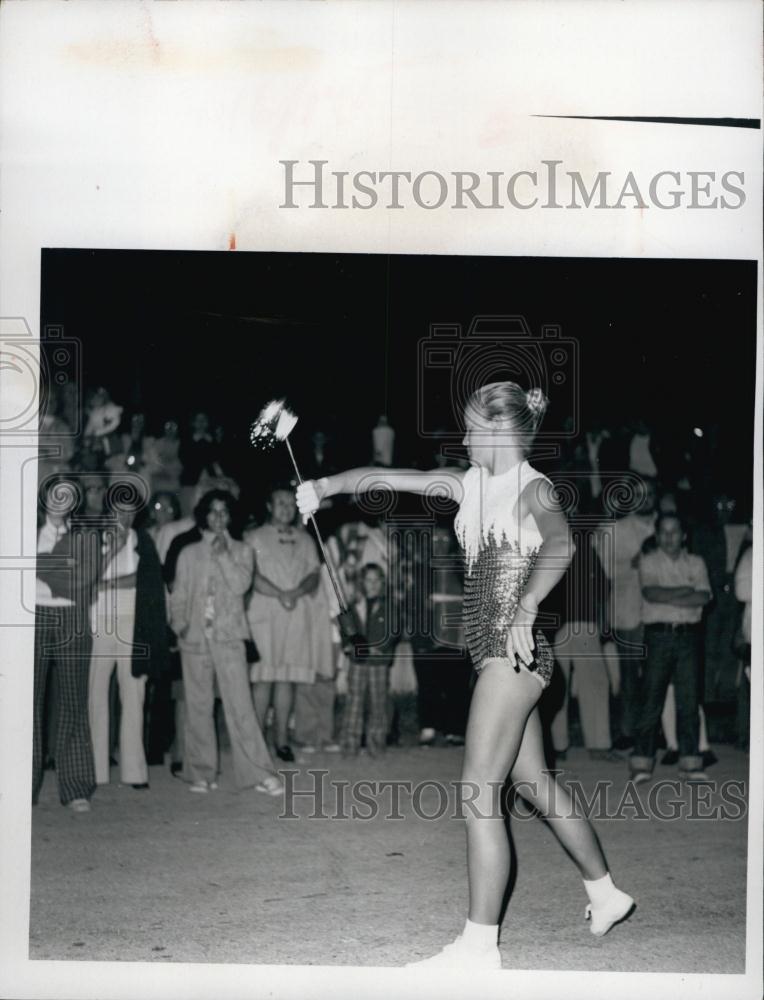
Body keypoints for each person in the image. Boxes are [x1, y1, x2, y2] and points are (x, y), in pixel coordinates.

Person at [297, 381, 634, 969]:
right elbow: (384, 476)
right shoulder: (465, 484)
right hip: (496, 656)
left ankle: (480, 946)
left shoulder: (535, 489)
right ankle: (606, 892)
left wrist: (527, 609)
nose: (462, 437)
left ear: (500, 431)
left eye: (473, 428)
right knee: (532, 783)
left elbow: (562, 546)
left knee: (478, 792)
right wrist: (325, 487)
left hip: (513, 655)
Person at [169, 490, 281, 795]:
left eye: (224, 512)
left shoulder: (243, 551)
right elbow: (178, 595)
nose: (218, 518)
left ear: (231, 517)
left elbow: (241, 584)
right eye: (213, 512)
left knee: (241, 706)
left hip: (230, 637)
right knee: (198, 707)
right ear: (204, 515)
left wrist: (222, 555)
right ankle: (201, 772)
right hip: (194, 639)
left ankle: (258, 773)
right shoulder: (188, 552)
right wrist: (180, 626)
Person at [88, 499, 169, 788]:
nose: (125, 516)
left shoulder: (142, 540)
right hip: (99, 622)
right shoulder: (95, 539)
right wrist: (115, 550)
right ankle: (96, 770)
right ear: (108, 512)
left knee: (134, 692)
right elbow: (89, 580)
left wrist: (110, 584)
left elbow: (148, 578)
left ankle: (134, 771)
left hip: (132, 622)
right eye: (119, 510)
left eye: (130, 511)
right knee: (96, 692)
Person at [33, 474, 102, 812]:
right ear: (43, 497)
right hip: (31, 618)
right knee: (26, 705)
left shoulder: (86, 535)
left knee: (74, 702)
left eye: (68, 495)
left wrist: (38, 565)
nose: (60, 500)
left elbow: (83, 581)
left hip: (73, 620)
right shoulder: (23, 530)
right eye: (54, 493)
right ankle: (21, 786)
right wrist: (63, 569)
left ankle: (76, 787)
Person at [629, 513, 712, 783]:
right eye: (663, 532)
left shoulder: (697, 562)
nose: (669, 537)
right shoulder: (649, 561)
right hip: (658, 636)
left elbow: (704, 596)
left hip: (688, 637)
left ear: (684, 534)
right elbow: (651, 593)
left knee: (688, 700)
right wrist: (686, 591)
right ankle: (642, 763)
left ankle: (690, 763)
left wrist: (672, 594)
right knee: (651, 698)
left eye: (674, 531)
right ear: (656, 535)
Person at [246, 485, 321, 762]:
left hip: (295, 614)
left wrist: (295, 593)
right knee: (263, 679)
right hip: (265, 613)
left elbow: (314, 574)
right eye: (280, 503)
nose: (286, 508)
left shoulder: (306, 540)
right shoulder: (253, 537)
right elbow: (248, 574)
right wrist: (280, 593)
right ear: (269, 505)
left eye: (291, 504)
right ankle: (255, 744)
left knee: (287, 679)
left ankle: (281, 741)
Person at [596, 477, 657, 752]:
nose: (645, 499)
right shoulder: (615, 530)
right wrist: (635, 564)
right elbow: (605, 573)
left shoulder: (667, 526)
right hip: (627, 611)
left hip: (662, 613)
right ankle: (628, 731)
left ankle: (656, 733)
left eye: (649, 494)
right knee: (629, 676)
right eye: (639, 494)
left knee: (658, 675)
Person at [341, 563, 399, 756]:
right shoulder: (354, 606)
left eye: (377, 580)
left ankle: (376, 743)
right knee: (354, 701)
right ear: (361, 583)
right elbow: (347, 631)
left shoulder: (389, 606)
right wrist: (348, 644)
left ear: (382, 583)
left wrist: (380, 647)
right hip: (358, 661)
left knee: (378, 702)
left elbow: (393, 631)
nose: (372, 584)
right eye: (368, 580)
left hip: (379, 661)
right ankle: (350, 744)